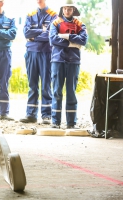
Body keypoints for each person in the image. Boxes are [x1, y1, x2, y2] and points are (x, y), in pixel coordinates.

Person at [49, 0, 88, 129]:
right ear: (62, 9)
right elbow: (53, 39)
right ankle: (55, 122)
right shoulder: (55, 23)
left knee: (71, 92)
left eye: (70, 9)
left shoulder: (80, 24)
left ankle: (71, 123)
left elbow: (83, 40)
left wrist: (65, 36)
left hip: (73, 61)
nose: (67, 11)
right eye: (65, 8)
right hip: (58, 60)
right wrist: (72, 41)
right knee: (57, 91)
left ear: (74, 10)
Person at [20, 0, 58, 124]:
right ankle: (31, 114)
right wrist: (41, 31)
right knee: (32, 84)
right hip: (31, 52)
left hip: (46, 53)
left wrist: (33, 36)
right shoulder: (30, 14)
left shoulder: (53, 15)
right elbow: (26, 33)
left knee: (46, 84)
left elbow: (49, 35)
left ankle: (46, 115)